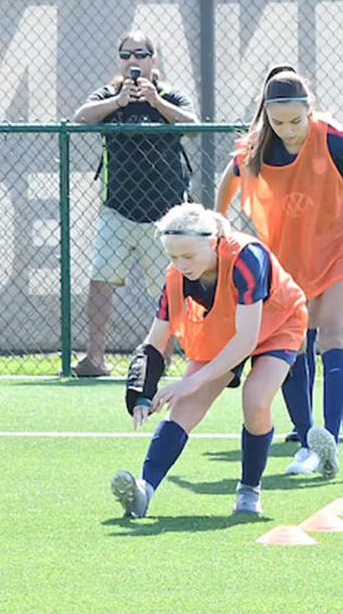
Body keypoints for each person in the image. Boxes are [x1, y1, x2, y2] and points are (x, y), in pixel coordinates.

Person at [111, 203, 307, 518]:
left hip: (278, 323)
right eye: (173, 257)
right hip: (226, 328)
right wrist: (140, 393)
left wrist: (192, 381)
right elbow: (154, 343)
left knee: (256, 400)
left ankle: (249, 489)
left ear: (213, 242)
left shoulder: (247, 258)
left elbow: (247, 340)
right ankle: (143, 491)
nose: (181, 265)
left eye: (188, 256)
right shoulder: (176, 276)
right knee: (184, 407)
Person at [215, 66, 343, 477]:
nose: (287, 130)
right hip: (286, 260)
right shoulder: (258, 147)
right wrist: (218, 227)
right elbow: (229, 180)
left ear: (310, 110)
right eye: (278, 121)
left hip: (337, 250)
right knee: (296, 343)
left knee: (334, 335)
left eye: (295, 121)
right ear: (266, 115)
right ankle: (307, 440)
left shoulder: (333, 140)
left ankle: (329, 438)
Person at [70, 32, 197, 377]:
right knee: (101, 280)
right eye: (126, 55)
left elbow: (195, 127)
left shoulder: (169, 95)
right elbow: (81, 117)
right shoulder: (110, 95)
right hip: (118, 209)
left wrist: (156, 103)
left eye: (140, 54)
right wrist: (118, 102)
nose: (133, 61)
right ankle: (95, 358)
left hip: (165, 214)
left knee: (168, 288)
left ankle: (163, 358)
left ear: (153, 59)